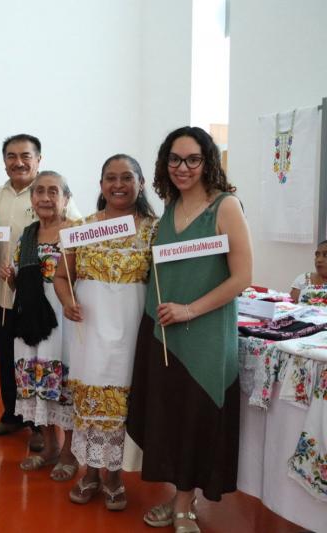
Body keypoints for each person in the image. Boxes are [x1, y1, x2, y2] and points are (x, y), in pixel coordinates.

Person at [127, 127, 252, 533]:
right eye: (175, 159)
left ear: (208, 161)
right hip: (163, 329)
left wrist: (189, 310)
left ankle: (184, 503)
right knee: (170, 416)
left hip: (205, 333)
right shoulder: (168, 207)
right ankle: (176, 495)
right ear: (165, 163)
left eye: (192, 159)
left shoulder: (226, 207)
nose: (183, 168)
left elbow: (242, 277)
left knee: (198, 415)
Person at [54, 154, 157, 510]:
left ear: (140, 183)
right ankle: (91, 472)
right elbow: (60, 276)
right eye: (110, 178)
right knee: (91, 399)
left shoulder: (154, 230)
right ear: (100, 185)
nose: (118, 185)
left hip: (132, 332)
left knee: (123, 401)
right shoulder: (82, 228)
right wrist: (67, 301)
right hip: (90, 332)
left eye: (126, 177)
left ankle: (115, 475)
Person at [0, 134, 81, 452]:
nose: (18, 161)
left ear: (38, 160)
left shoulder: (52, 193)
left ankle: (42, 430)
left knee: (50, 361)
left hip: (54, 302)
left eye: (26, 155)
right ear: (4, 161)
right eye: (11, 156)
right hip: (6, 294)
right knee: (14, 360)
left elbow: (80, 236)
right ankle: (14, 415)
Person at [0, 171, 77, 478]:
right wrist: (13, 278)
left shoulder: (75, 232)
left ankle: (69, 453)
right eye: (39, 191)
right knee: (34, 379)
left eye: (53, 191)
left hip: (64, 317)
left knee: (64, 384)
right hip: (30, 319)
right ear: (32, 199)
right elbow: (26, 281)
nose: (45, 197)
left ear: (66, 198)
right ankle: (49, 447)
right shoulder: (28, 235)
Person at [289, 240, 327, 305]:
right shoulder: (303, 279)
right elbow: (289, 308)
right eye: (317, 255)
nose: (319, 260)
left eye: (325, 255)